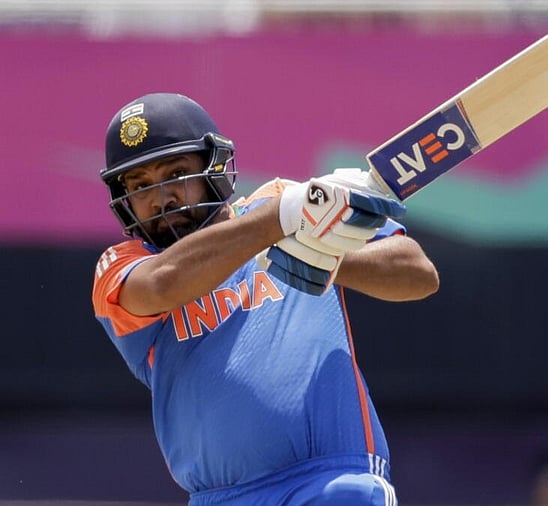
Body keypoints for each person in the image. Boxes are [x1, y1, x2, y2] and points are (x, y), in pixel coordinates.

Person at [91, 92, 439, 506]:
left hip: (332, 484)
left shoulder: (281, 201)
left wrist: (326, 256)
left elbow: (417, 272)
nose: (161, 198)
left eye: (177, 172)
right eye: (141, 185)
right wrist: (283, 217)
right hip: (217, 499)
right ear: (124, 200)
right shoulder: (121, 266)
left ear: (212, 169)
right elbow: (162, 285)